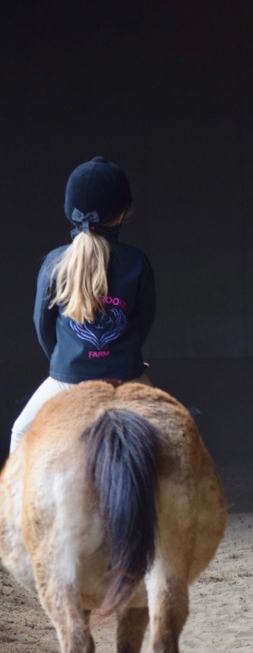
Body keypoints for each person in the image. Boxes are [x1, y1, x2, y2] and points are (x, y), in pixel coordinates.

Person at [9, 156, 155, 454]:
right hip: (125, 377)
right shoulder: (137, 261)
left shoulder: (54, 262)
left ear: (70, 212)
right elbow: (143, 321)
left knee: (21, 432)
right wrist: (125, 356)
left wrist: (65, 362)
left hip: (68, 379)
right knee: (173, 440)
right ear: (122, 213)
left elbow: (42, 325)